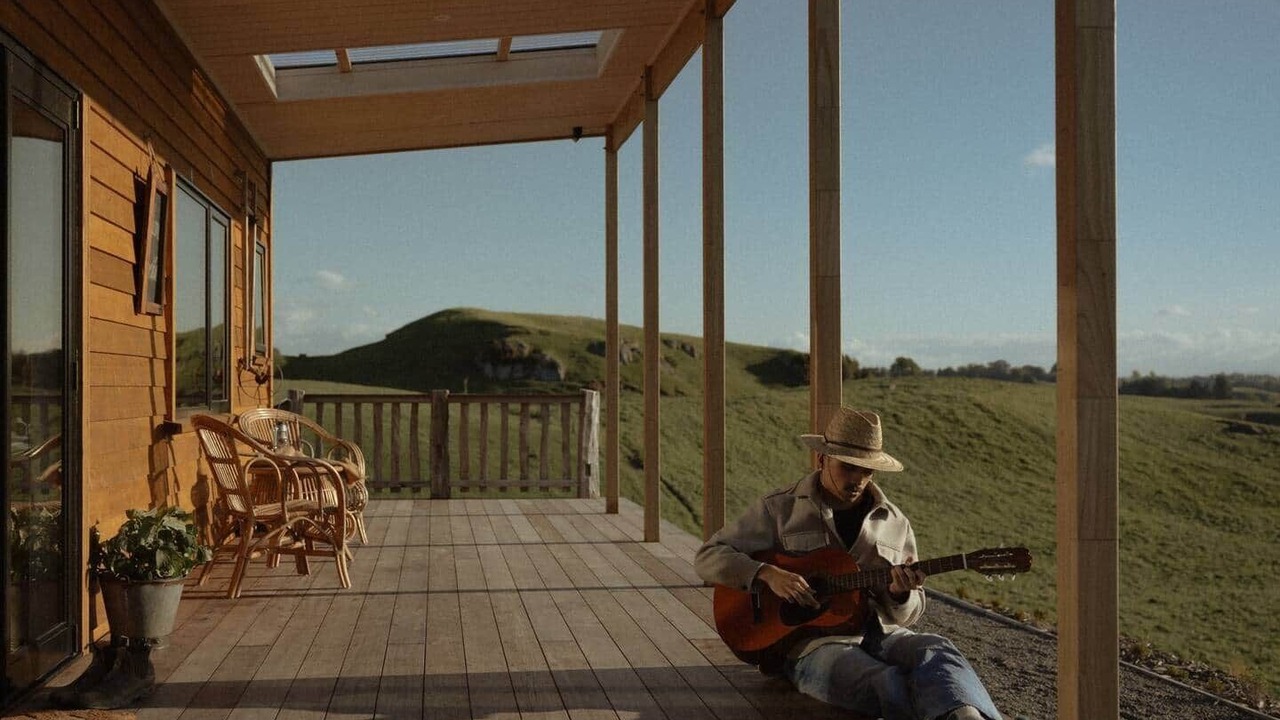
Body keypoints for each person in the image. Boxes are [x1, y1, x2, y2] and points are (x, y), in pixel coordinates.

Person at [695, 406, 1002, 720]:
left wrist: (900, 594)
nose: (858, 479)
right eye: (848, 467)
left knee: (940, 653)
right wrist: (766, 574)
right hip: (814, 645)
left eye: (867, 471)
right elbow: (708, 557)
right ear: (822, 459)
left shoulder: (895, 523)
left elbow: (909, 614)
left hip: (883, 633)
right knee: (880, 682)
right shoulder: (779, 509)